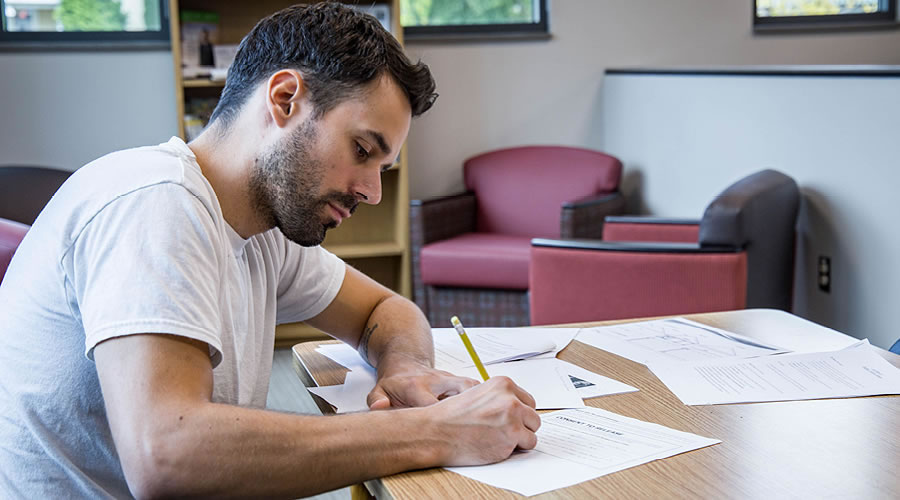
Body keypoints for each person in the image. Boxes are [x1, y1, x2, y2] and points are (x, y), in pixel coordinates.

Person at [0, 3, 540, 498]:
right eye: (361, 150)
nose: (373, 191)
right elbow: (167, 456)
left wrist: (406, 369)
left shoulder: (261, 228)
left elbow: (386, 311)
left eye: (383, 168)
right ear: (285, 99)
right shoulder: (156, 200)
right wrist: (434, 431)